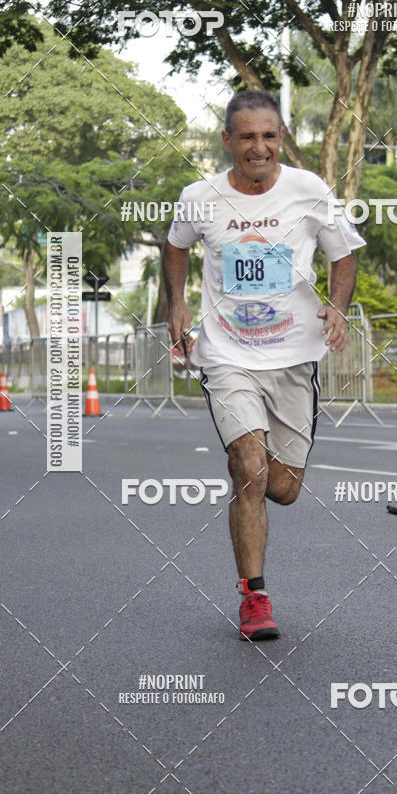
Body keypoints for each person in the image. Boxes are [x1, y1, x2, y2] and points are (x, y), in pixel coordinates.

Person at [162, 90, 365, 641]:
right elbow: (175, 245)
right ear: (227, 141)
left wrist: (338, 309)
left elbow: (343, 252)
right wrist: (177, 304)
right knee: (248, 466)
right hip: (227, 354)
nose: (260, 147)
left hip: (295, 355)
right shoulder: (199, 197)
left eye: (269, 136)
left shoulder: (309, 190)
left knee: (284, 487)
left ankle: (266, 469)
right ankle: (254, 597)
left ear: (281, 138)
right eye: (247, 137)